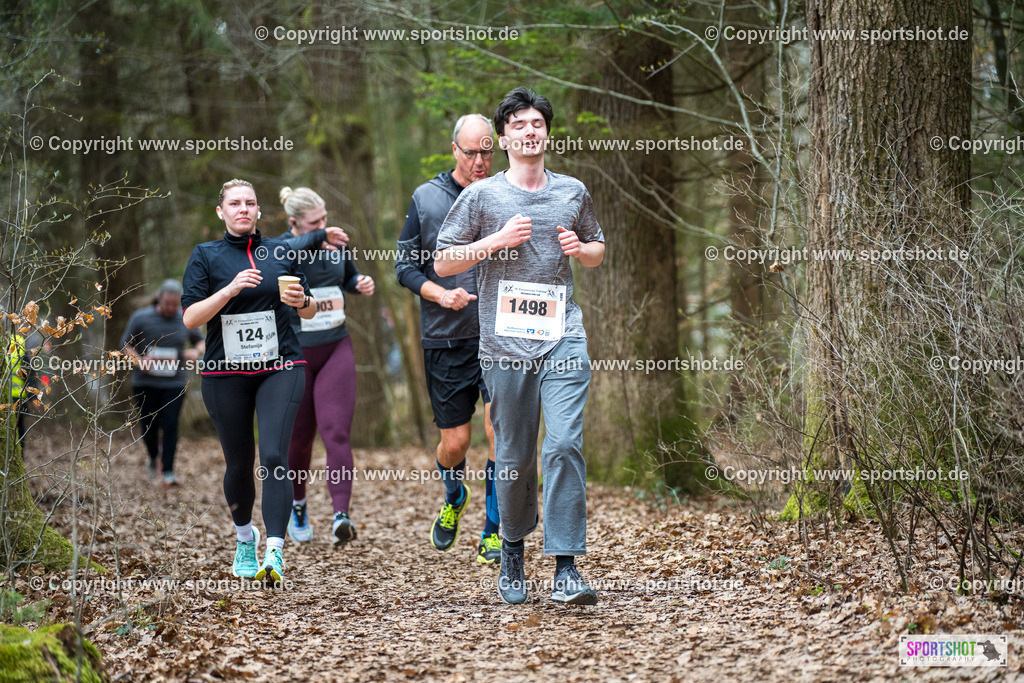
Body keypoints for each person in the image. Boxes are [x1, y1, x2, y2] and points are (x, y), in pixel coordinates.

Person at [435, 88, 606, 605]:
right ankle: (512, 549)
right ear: (503, 137)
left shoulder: (572, 191)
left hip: (563, 336)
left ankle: (566, 566)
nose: (530, 131)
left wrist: (583, 250)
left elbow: (597, 247)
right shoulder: (481, 197)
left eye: (537, 123)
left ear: (547, 133)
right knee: (512, 455)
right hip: (504, 345)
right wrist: (495, 241)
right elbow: (442, 261)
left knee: (564, 443)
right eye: (519, 125)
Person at [182, 179, 341, 585]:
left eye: (250, 203)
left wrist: (303, 302)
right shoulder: (205, 255)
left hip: (280, 366)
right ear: (221, 212)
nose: (243, 209)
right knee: (239, 463)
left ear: (258, 210)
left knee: (273, 457)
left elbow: (309, 310)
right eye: (235, 203)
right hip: (225, 372)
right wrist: (229, 290)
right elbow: (191, 317)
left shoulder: (282, 251)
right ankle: (244, 539)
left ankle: (274, 551)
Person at [395, 114, 501, 564]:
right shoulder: (427, 198)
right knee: (456, 444)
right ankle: (455, 494)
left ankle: (494, 530)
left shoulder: (506, 193)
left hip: (499, 337)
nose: (480, 161)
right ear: (454, 150)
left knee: (500, 433)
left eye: (486, 152)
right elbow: (404, 267)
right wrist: (441, 294)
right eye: (471, 152)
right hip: (446, 337)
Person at [278, 186, 374, 546]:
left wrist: (358, 283)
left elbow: (346, 278)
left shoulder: (334, 243)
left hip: (336, 345)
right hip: (297, 352)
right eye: (315, 223)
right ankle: (298, 504)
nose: (324, 226)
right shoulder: (279, 248)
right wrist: (319, 237)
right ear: (294, 223)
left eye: (325, 219)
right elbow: (284, 255)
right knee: (300, 438)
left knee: (336, 432)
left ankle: (340, 515)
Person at [121, 279, 205, 487]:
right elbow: (125, 345)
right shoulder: (141, 317)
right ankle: (152, 455)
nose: (170, 308)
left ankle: (168, 471)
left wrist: (196, 352)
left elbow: (202, 341)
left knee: (171, 425)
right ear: (159, 298)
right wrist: (139, 361)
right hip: (145, 382)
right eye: (167, 303)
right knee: (148, 426)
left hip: (174, 383)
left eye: (175, 304)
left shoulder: (185, 318)